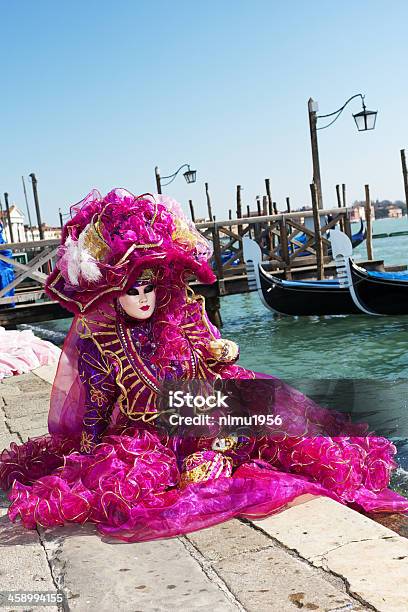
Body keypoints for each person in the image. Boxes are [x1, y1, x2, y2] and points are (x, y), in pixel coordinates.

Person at [0, 188, 406, 543]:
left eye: (149, 288)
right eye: (132, 291)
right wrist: (88, 453)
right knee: (157, 480)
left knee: (287, 429)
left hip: (207, 413)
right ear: (112, 293)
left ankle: (225, 453)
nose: (143, 299)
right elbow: (99, 403)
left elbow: (213, 363)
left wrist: (222, 352)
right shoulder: (102, 341)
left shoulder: (185, 316)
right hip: (151, 434)